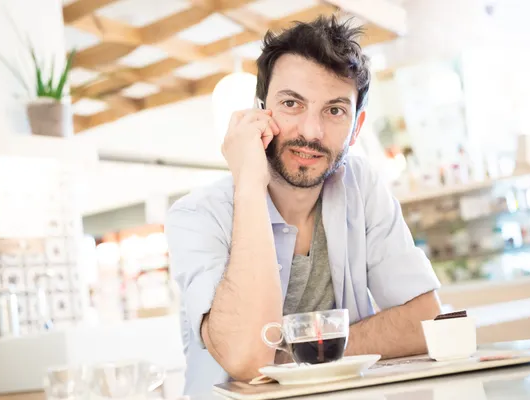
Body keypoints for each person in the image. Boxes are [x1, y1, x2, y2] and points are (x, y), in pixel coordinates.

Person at [165, 15, 442, 396]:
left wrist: (291, 359)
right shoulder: (196, 216)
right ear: (261, 111)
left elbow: (426, 320)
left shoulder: (361, 186)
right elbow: (246, 360)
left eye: (334, 110)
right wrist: (249, 184)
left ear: (356, 127)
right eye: (292, 103)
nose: (311, 132)